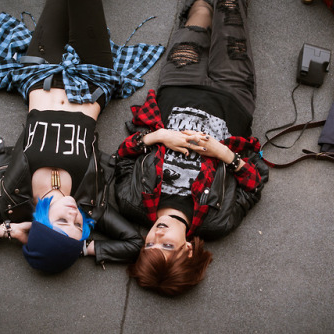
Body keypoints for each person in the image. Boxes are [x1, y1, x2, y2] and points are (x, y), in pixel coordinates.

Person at [0, 0, 164, 273]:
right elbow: (133, 243)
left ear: (40, 223)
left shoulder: (11, 203)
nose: (74, 217)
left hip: (39, 73)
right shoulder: (92, 209)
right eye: (78, 229)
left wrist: (9, 230)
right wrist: (84, 248)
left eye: (62, 223)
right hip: (91, 77)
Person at [114, 0, 269, 296]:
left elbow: (121, 158)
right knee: (230, 13)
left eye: (149, 243)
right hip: (232, 95)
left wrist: (159, 136)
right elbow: (254, 184)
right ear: (187, 250)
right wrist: (224, 155)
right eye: (167, 245)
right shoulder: (217, 222)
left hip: (177, 84)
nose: (157, 234)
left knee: (199, 14)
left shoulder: (131, 202)